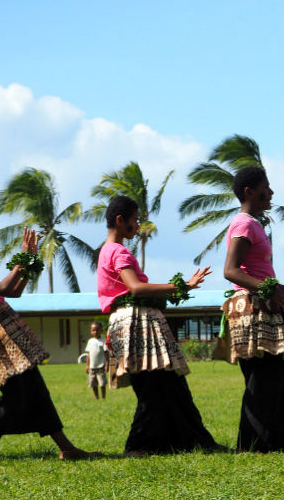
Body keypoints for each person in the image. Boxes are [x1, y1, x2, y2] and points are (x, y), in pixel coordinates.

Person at [0, 222, 95, 460]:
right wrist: (24, 257)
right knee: (14, 392)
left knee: (35, 387)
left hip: (5, 333)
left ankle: (66, 448)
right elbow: (6, 286)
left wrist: (28, 261)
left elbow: (14, 291)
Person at [98, 195, 224, 456]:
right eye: (135, 220)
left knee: (169, 383)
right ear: (120, 220)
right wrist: (182, 286)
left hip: (133, 320)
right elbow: (136, 287)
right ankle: (139, 447)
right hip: (136, 321)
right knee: (154, 386)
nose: (138, 225)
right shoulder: (118, 251)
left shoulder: (107, 250)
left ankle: (193, 441)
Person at [222, 166, 284, 455]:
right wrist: (269, 289)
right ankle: (252, 446)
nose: (271, 192)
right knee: (263, 380)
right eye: (265, 187)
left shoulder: (254, 224)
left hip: (263, 305)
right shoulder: (244, 224)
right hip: (253, 308)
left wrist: (281, 288)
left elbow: (253, 270)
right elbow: (231, 271)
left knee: (278, 378)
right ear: (249, 192)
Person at [85, 321, 108, 400]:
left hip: (101, 366)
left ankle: (103, 397)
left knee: (102, 383)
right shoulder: (90, 341)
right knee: (93, 383)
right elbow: (88, 354)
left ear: (101, 330)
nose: (95, 332)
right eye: (93, 330)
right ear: (91, 331)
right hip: (92, 366)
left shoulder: (103, 341)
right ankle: (96, 397)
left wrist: (107, 364)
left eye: (97, 330)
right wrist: (87, 365)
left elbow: (106, 353)